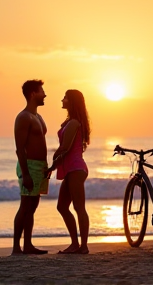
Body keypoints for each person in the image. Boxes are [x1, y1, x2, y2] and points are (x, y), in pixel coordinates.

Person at [46, 89, 91, 254]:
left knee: (79, 208)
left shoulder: (74, 123)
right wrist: (53, 167)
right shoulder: (71, 121)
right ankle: (75, 244)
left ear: (71, 101)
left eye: (65, 97)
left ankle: (83, 246)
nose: (62, 99)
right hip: (71, 169)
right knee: (62, 207)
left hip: (76, 169)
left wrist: (53, 157)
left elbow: (65, 147)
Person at [11, 79, 49, 255]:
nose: (45, 94)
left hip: (40, 167)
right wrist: (25, 173)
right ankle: (16, 248)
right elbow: (20, 149)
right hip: (30, 166)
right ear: (33, 94)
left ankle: (28, 245)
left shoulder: (38, 117)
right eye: (42, 91)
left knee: (33, 205)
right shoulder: (23, 117)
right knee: (25, 205)